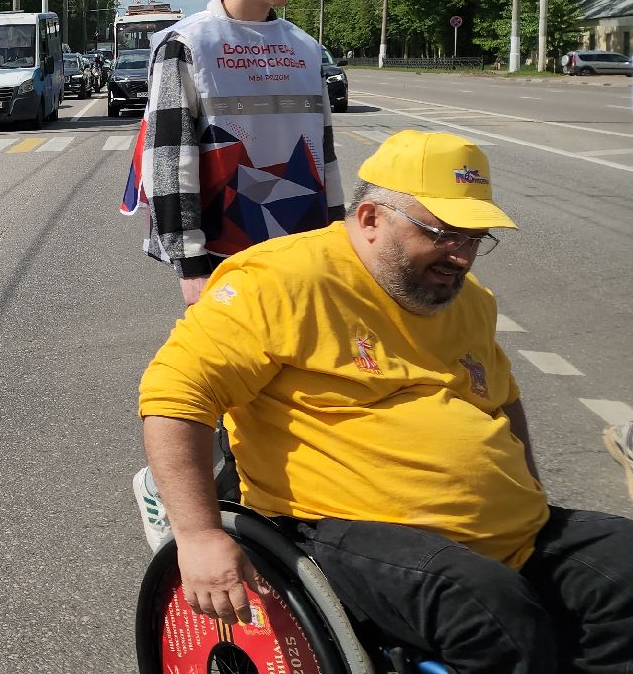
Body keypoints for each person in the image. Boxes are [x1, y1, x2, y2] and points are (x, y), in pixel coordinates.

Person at [139, 131, 633, 673]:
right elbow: (176, 396)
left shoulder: (468, 301)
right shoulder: (281, 281)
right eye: (444, 234)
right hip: (340, 526)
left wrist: (526, 492)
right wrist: (198, 535)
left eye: (475, 238)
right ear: (372, 218)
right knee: (486, 611)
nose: (462, 257)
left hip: (502, 533)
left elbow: (502, 401)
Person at [123, 0, 344, 545]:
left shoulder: (305, 49)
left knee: (292, 379)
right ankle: (173, 493)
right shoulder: (188, 43)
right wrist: (190, 262)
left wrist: (339, 240)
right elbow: (169, 155)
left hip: (301, 242)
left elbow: (325, 149)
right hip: (224, 247)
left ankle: (270, 507)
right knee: (225, 382)